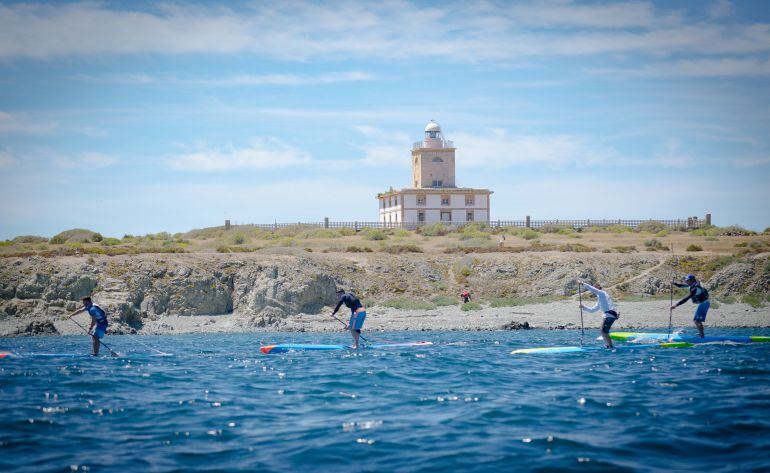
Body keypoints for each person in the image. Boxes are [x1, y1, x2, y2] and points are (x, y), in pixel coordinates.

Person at [578, 281, 619, 349]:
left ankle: (610, 346)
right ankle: (609, 345)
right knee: (603, 331)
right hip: (610, 315)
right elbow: (593, 310)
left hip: (609, 314)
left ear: (598, 288)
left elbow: (592, 289)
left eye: (595, 288)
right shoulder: (600, 299)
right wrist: (584, 307)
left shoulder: (602, 293)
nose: (594, 290)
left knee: (603, 331)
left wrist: (582, 283)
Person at [671, 274, 709, 338]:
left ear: (692, 280)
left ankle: (702, 336)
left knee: (697, 321)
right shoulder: (691, 284)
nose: (686, 282)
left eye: (687, 280)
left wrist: (676, 305)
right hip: (703, 303)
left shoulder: (695, 288)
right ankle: (702, 335)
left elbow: (686, 298)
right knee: (696, 320)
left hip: (704, 303)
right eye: (686, 280)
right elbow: (681, 286)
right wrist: (674, 283)